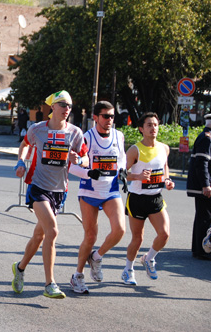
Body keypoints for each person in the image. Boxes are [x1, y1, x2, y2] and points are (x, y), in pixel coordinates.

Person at [12, 91, 88, 299]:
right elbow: (25, 145)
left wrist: (78, 160)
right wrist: (20, 162)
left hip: (59, 191)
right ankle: (50, 284)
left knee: (40, 235)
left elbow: (86, 159)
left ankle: (19, 268)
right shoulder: (37, 129)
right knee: (52, 231)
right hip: (38, 187)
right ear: (52, 107)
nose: (66, 109)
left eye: (69, 106)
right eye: (62, 104)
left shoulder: (75, 133)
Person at [67, 101, 126, 294]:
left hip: (110, 190)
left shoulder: (118, 136)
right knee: (90, 236)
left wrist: (124, 171)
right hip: (89, 192)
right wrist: (88, 173)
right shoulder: (86, 138)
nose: (110, 120)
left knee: (119, 230)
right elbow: (73, 167)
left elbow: (122, 159)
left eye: (112, 116)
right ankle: (77, 275)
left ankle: (97, 257)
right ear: (96, 117)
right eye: (106, 116)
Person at [122, 112, 175, 285]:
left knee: (164, 234)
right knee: (137, 239)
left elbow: (165, 167)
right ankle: (128, 270)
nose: (153, 128)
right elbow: (120, 174)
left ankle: (149, 258)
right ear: (141, 129)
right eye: (149, 125)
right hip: (137, 199)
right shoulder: (134, 150)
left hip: (155, 198)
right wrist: (137, 177)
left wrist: (167, 180)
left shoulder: (164, 148)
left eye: (155, 124)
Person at [186, 110, 211, 261]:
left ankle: (200, 248)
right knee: (205, 218)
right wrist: (206, 185)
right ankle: (203, 250)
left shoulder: (210, 137)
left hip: (207, 185)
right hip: (205, 186)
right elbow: (202, 163)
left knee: (203, 217)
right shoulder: (208, 138)